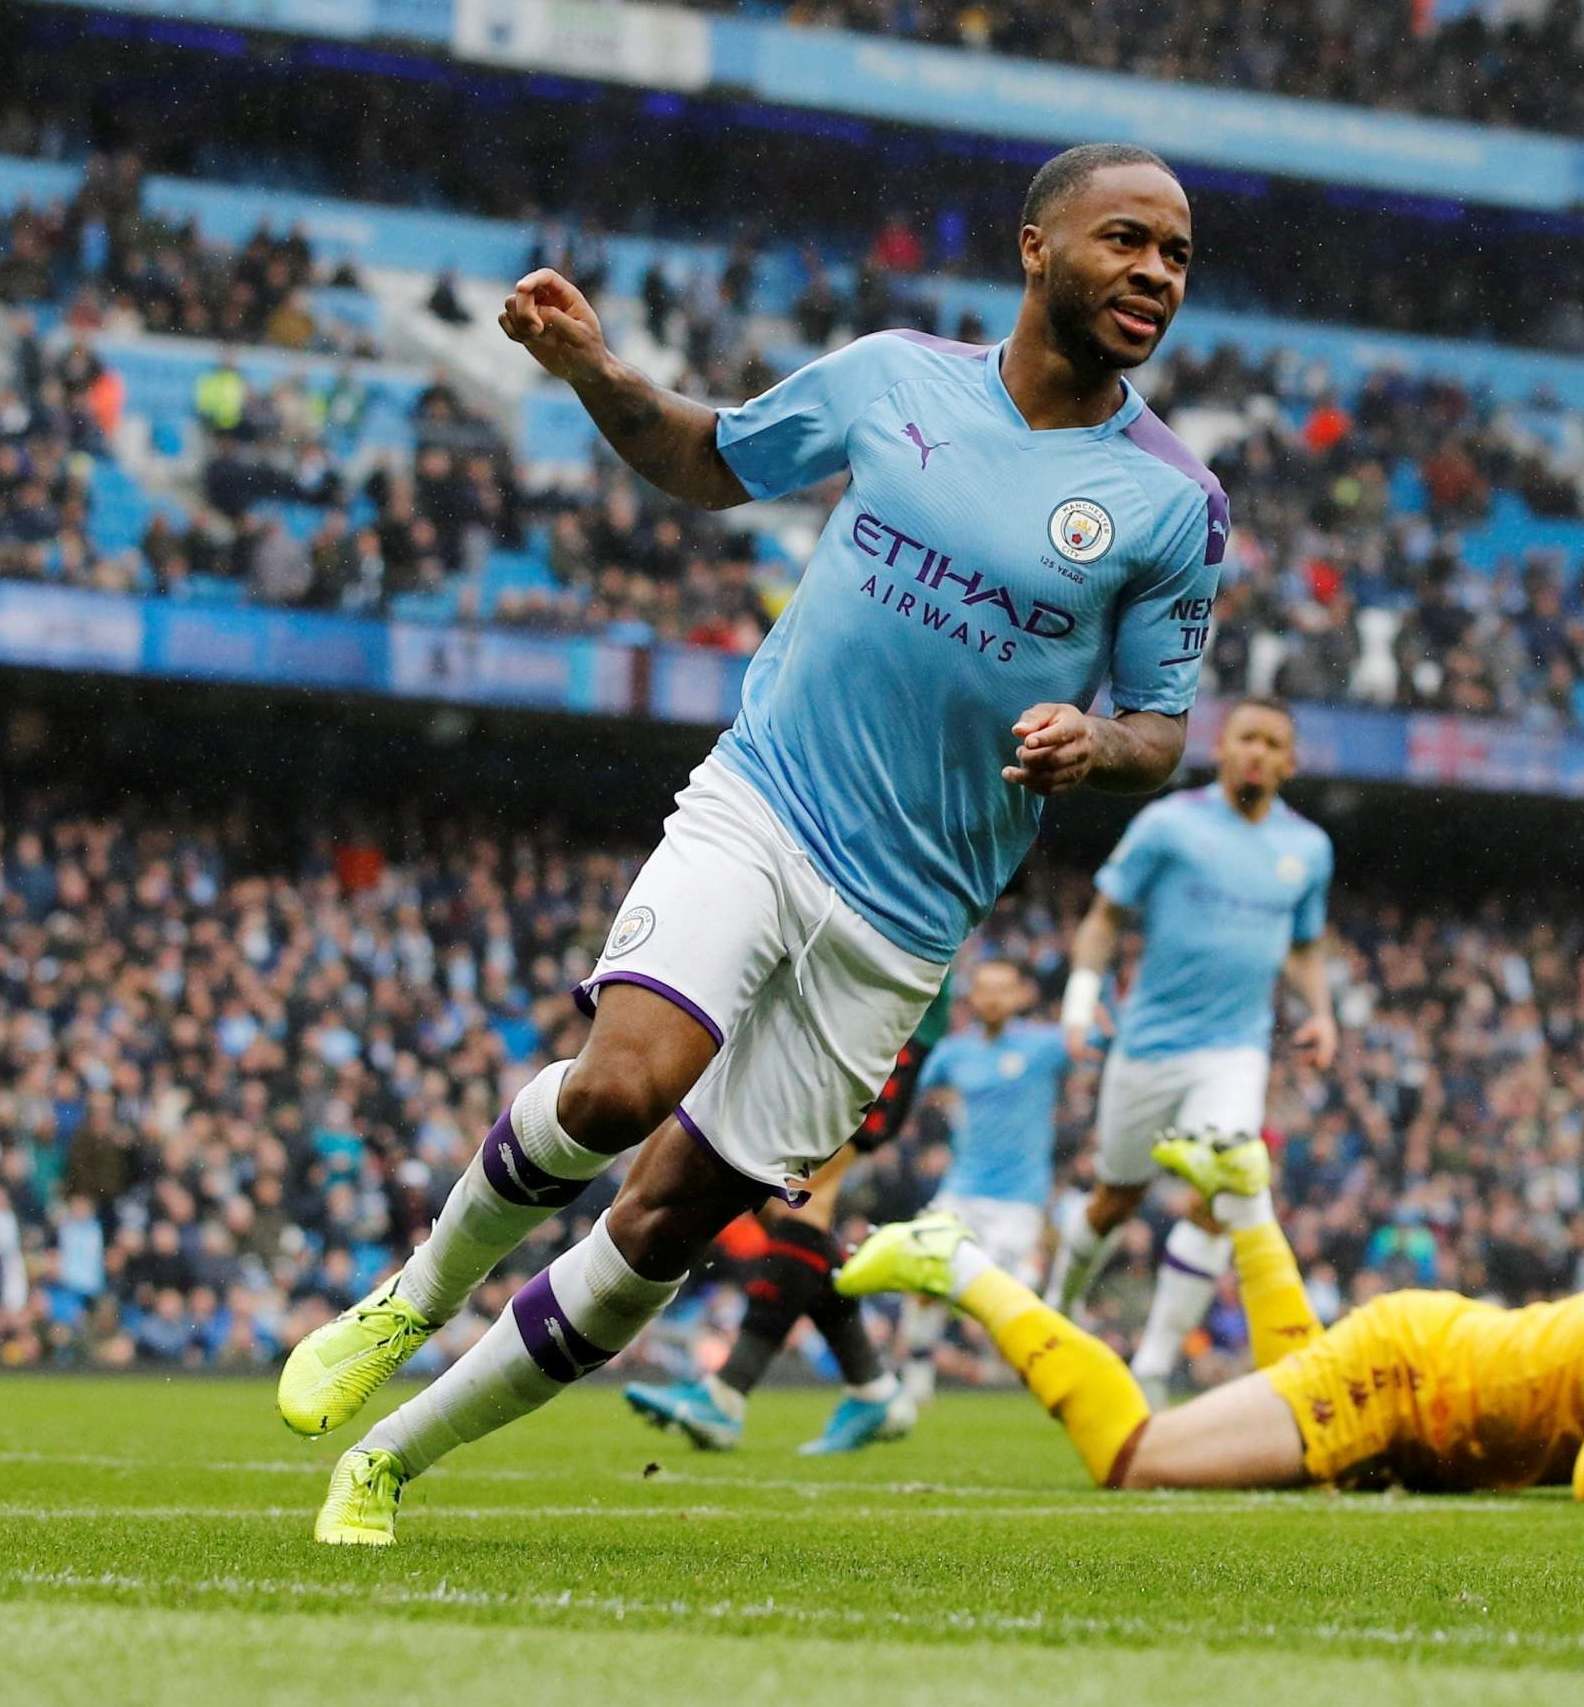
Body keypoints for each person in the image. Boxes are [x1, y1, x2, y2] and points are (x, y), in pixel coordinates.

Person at [278, 140, 1227, 1546]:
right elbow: (707, 461)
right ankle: (411, 1294)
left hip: (904, 921)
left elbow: (1162, 726)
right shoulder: (894, 377)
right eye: (1126, 239)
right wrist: (594, 372)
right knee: (619, 1088)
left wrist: (1099, 746)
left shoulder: (1170, 501)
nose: (1154, 271)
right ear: (1037, 249)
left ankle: (394, 1458)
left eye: (1177, 254)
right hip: (768, 802)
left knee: (662, 1224)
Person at [843, 1136, 1584, 1508]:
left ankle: (1245, 1205)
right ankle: (964, 1269)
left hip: (1431, 1396)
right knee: (1137, 1462)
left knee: (1309, 1453)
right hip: (1412, 1380)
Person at [1045, 699, 1334, 1400]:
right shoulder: (1169, 825)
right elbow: (1106, 916)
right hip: (1148, 1046)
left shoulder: (1309, 850)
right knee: (1117, 1198)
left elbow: (1303, 946)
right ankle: (1056, 1311)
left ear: (1289, 761)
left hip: (1234, 1052)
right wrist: (1082, 1002)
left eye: (1273, 742)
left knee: (1225, 1190)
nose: (1259, 753)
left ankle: (1152, 1364)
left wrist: (1322, 1013)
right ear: (1223, 748)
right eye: (1247, 739)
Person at [621, 983, 955, 1455]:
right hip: (846, 1024)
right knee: (789, 1212)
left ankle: (727, 1394)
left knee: (803, 1201)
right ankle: (871, 1388)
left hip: (887, 1031)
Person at [896, 957, 1073, 1411]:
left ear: (1019, 996)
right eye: (985, 988)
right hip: (962, 1189)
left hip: (1020, 1200)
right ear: (972, 996)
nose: (993, 997)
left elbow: (1099, 1041)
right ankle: (917, 1378)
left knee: (1010, 1295)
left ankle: (1044, 1373)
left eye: (1003, 988)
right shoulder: (954, 1053)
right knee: (924, 1270)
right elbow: (906, 1091)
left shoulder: (1046, 1046)